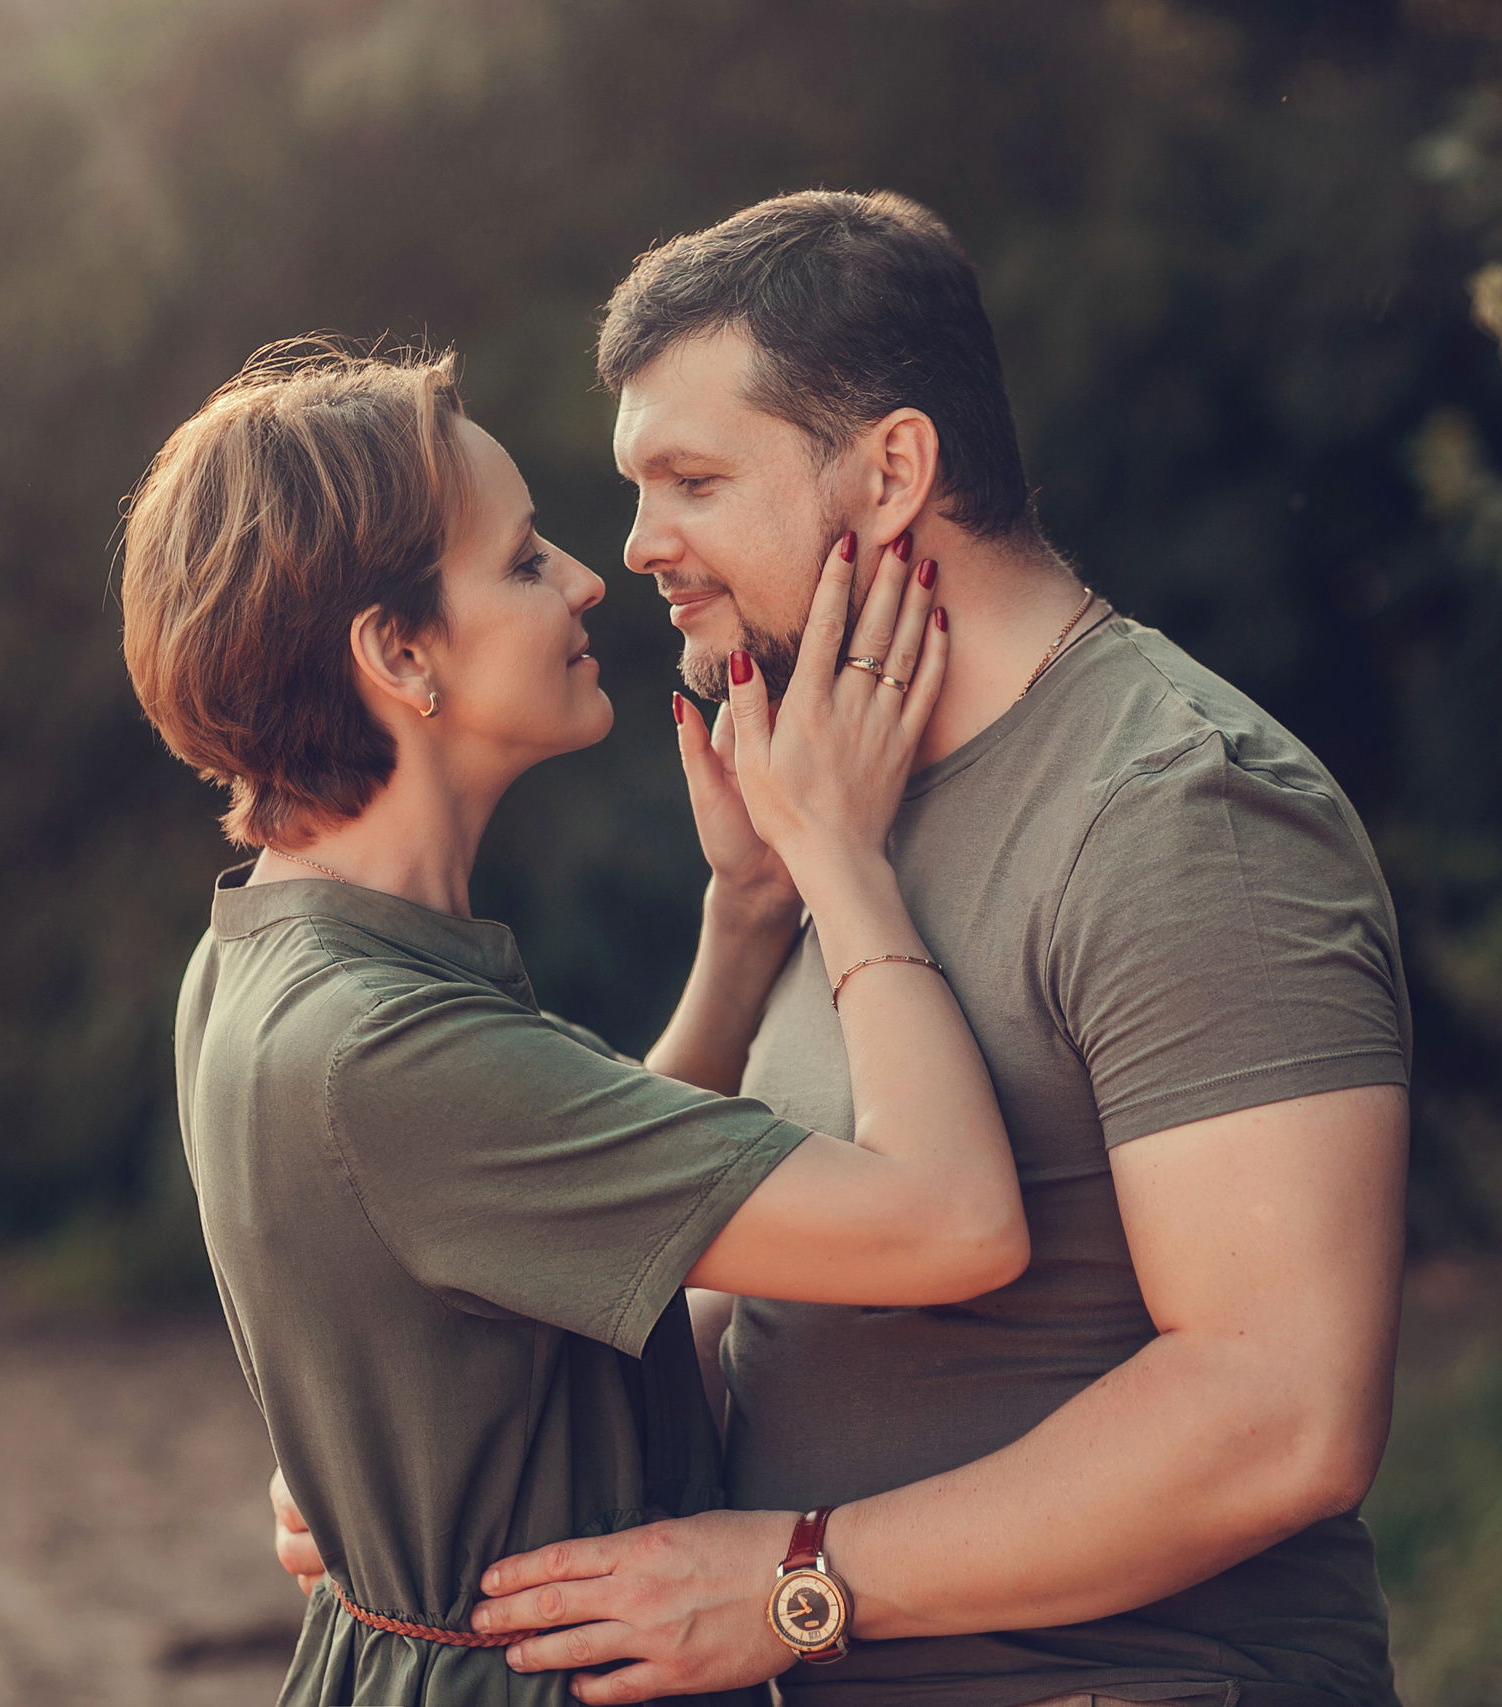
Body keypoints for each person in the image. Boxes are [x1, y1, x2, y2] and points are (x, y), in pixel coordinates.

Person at [282, 191, 1415, 1707]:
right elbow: (769, 1312)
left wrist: (799, 1580)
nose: (637, 549)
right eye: (637, 487)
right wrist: (436, 1450)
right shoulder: (839, 795)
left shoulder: (1182, 811)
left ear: (891, 472)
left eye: (694, 481)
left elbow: (1282, 1410)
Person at [120, 337, 1031, 1707]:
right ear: (400, 651)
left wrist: (748, 917)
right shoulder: (385, 1048)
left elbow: (557, 1208)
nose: (588, 578)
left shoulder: (267, 956)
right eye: (524, 561)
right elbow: (954, 1224)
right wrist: (844, 859)